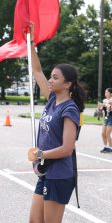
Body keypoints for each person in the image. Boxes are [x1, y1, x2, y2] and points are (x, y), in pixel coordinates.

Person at [27, 25, 85, 223]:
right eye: (51, 76)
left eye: (55, 77)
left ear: (67, 84)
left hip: (59, 175)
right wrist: (32, 42)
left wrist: (41, 154)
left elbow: (67, 149)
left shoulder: (69, 109)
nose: (50, 80)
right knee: (35, 221)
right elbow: (36, 70)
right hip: (46, 171)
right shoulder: (52, 99)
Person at [98, 88, 112, 153]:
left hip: (111, 118)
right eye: (105, 92)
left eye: (107, 92)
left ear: (110, 93)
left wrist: (104, 104)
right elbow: (102, 109)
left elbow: (109, 106)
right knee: (103, 133)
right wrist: (100, 108)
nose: (105, 94)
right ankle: (106, 147)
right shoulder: (104, 100)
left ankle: (110, 148)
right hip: (106, 118)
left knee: (107, 133)